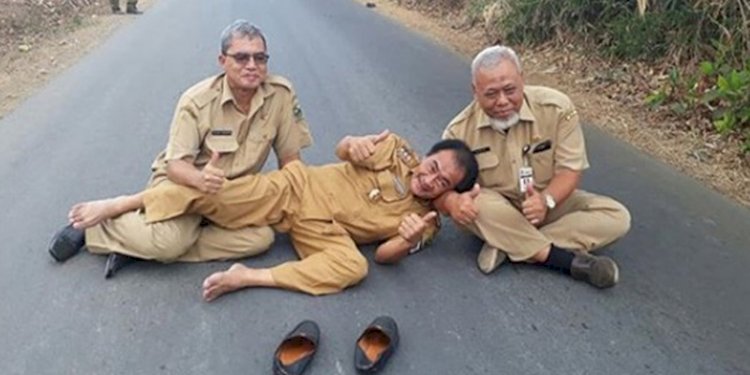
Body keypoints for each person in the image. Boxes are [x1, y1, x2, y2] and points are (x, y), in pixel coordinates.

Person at [60, 131, 479, 300]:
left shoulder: (431, 224)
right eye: (432, 167)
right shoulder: (397, 150)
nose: (429, 180)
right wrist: (354, 146)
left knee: (354, 267)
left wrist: (405, 240)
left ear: (450, 192)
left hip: (326, 232)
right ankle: (119, 206)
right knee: (215, 196)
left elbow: (384, 257)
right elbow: (345, 148)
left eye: (442, 183)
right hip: (297, 190)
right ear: (426, 155)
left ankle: (247, 276)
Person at [48, 20, 313, 278]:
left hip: (235, 193)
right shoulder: (196, 101)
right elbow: (176, 166)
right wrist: (201, 178)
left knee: (260, 239)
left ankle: (139, 247)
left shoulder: (280, 95)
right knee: (168, 243)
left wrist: (300, 203)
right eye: (241, 58)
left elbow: (290, 160)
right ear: (223, 61)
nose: (252, 66)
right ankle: (96, 230)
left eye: (260, 58)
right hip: (184, 187)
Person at [438, 45, 631, 288]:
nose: (503, 101)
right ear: (474, 91)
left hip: (548, 202)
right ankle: (554, 255)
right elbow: (442, 190)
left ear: (522, 79)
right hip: (497, 210)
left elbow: (569, 170)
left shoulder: (557, 108)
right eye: (490, 94)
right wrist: (453, 202)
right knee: (476, 203)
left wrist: (546, 200)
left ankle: (507, 246)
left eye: (510, 90)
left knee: (617, 217)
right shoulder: (457, 132)